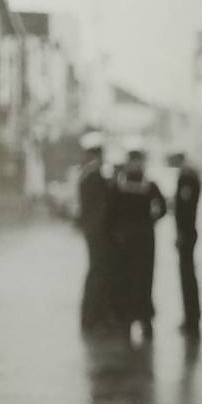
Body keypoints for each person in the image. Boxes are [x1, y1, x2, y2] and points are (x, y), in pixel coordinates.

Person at [108, 142, 167, 342]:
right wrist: (151, 220)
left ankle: (127, 318)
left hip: (126, 239)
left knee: (127, 277)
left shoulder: (120, 185)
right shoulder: (150, 186)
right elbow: (163, 209)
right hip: (144, 238)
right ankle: (144, 319)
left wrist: (118, 230)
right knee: (143, 278)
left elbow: (111, 212)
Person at [76, 131, 114, 332]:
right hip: (97, 232)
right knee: (97, 272)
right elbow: (100, 207)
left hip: (92, 230)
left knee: (96, 272)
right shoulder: (94, 175)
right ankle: (92, 317)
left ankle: (92, 316)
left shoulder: (87, 174)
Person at [168, 149, 201, 336]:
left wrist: (181, 233)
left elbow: (185, 209)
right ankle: (192, 317)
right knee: (188, 276)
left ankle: (191, 319)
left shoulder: (186, 177)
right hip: (189, 233)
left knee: (187, 276)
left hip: (186, 234)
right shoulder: (190, 175)